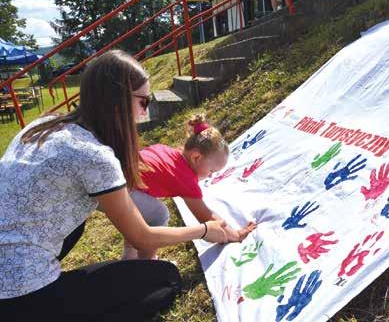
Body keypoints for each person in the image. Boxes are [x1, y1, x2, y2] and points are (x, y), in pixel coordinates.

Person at [0, 50, 228, 322]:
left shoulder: (43, 125)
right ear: (118, 101)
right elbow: (143, 236)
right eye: (143, 101)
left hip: (10, 271)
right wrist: (204, 231)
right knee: (165, 279)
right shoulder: (94, 155)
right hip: (19, 296)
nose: (144, 113)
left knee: (80, 224)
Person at [123, 114, 256, 260]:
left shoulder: (169, 152)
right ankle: (146, 264)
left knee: (140, 216)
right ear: (196, 157)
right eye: (211, 171)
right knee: (157, 215)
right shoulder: (185, 179)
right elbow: (206, 217)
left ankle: (129, 259)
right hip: (122, 188)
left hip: (119, 175)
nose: (211, 176)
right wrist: (236, 235)